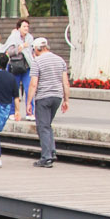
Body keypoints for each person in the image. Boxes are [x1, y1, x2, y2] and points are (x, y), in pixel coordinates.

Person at [27, 36, 71, 167]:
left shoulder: (37, 62)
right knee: (47, 125)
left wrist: (29, 102)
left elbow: (33, 84)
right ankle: (51, 151)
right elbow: (66, 82)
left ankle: (46, 157)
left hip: (43, 97)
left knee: (43, 126)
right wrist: (66, 100)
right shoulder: (60, 60)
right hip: (57, 96)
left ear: (36, 49)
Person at [2, 18, 35, 113]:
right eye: (24, 26)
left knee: (29, 89)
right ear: (19, 28)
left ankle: (30, 112)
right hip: (15, 66)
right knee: (13, 90)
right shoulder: (13, 37)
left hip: (27, 66)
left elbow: (31, 51)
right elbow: (9, 52)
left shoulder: (30, 38)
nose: (26, 28)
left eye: (27, 26)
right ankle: (12, 112)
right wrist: (20, 48)